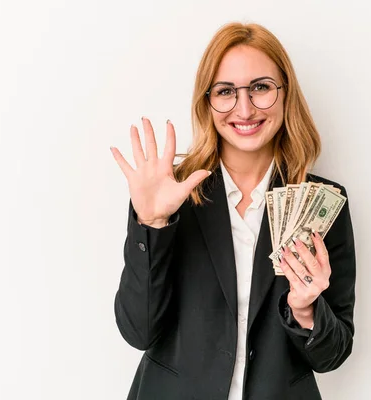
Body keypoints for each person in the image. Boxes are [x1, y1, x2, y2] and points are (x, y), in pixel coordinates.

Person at [110, 22, 356, 400]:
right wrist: (151, 224)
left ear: (285, 93)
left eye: (260, 88)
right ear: (207, 102)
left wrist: (305, 309)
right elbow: (138, 331)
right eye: (226, 91)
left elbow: (332, 355)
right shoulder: (171, 195)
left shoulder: (322, 203)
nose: (244, 109)